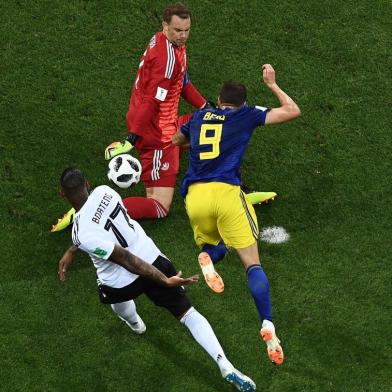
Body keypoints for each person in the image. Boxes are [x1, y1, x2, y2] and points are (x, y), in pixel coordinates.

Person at [50, 2, 275, 232]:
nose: (183, 35)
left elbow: (182, 82)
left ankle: (239, 190)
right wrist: (132, 139)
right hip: (158, 135)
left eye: (187, 30)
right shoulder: (166, 60)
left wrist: (205, 106)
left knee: (219, 122)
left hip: (165, 122)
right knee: (159, 206)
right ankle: (88, 210)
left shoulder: (166, 43)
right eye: (178, 30)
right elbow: (151, 101)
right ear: (165, 26)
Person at [57, 167, 256, 392]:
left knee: (113, 297)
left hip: (122, 283)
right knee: (188, 314)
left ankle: (134, 323)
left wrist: (164, 280)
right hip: (151, 256)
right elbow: (99, 225)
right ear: (88, 182)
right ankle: (224, 362)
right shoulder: (106, 191)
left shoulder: (80, 232)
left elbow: (125, 259)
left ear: (62, 194)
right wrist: (74, 248)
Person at [172, 64, 301, 365]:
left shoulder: (198, 116)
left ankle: (208, 257)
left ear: (218, 99)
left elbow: (177, 142)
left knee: (219, 242)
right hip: (227, 194)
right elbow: (291, 110)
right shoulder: (246, 114)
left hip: (195, 198)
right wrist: (272, 85)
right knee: (251, 262)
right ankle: (268, 323)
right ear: (241, 104)